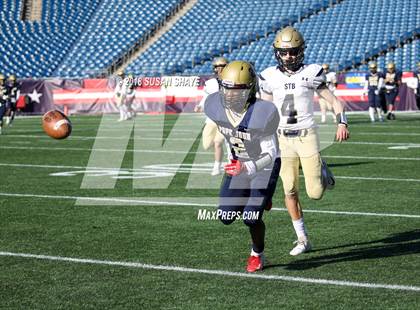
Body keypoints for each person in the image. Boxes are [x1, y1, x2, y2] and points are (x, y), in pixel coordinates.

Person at [259, 26, 349, 256]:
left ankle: (322, 169)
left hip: (306, 135)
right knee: (289, 189)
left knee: (316, 193)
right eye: (284, 52)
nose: (289, 56)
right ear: (277, 52)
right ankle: (302, 237)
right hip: (282, 139)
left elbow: (334, 101)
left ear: (301, 51)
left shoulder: (311, 72)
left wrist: (342, 122)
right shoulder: (269, 76)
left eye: (293, 51)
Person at [204, 60, 280, 272]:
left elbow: (271, 154)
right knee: (226, 217)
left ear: (250, 89)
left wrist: (247, 168)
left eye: (237, 91)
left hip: (264, 166)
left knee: (251, 217)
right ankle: (260, 198)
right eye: (227, 89)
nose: (230, 95)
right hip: (238, 163)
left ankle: (257, 254)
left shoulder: (262, 112)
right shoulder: (214, 105)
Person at [195, 57, 228, 175]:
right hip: (211, 118)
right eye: (217, 67)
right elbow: (206, 96)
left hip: (225, 118)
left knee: (218, 142)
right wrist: (200, 105)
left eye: (222, 66)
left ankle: (217, 166)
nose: (219, 69)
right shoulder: (210, 83)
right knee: (206, 144)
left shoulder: (232, 81)